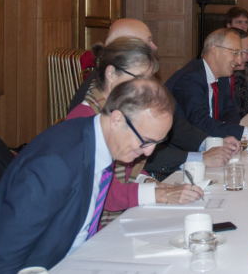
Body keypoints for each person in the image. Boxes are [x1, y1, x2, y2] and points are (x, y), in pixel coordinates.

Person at [0, 78, 176, 272]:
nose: (148, 152)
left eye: (157, 143)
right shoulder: (56, 165)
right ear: (117, 120)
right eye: (146, 141)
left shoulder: (97, 142)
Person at [68, 18, 238, 178]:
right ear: (126, 46)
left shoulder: (132, 82)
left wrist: (209, 143)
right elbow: (117, 169)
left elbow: (173, 123)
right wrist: (199, 158)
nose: (155, 46)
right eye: (148, 41)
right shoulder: (91, 104)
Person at [66, 38, 205, 224]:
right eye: (139, 78)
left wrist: (149, 183)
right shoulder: (84, 119)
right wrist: (158, 194)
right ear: (111, 74)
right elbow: (100, 190)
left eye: (149, 79)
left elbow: (130, 168)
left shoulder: (126, 112)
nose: (145, 87)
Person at [168, 28, 248, 139]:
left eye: (240, 54)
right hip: (185, 150)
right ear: (214, 51)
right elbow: (201, 123)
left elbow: (229, 111)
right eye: (235, 53)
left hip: (211, 142)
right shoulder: (190, 78)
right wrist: (247, 132)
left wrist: (231, 136)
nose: (239, 61)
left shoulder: (222, 76)